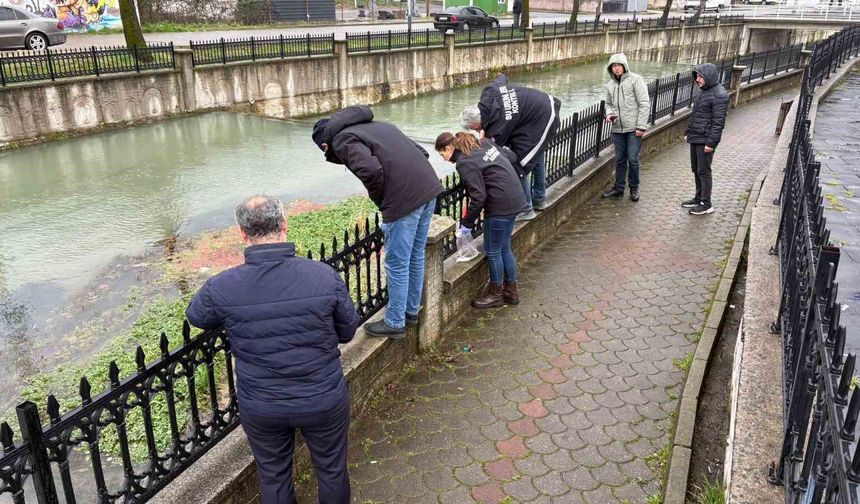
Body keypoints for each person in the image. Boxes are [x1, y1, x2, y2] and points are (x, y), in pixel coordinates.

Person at [185, 195, 359, 504]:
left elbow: (197, 316)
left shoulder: (223, 286)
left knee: (274, 477)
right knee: (332, 470)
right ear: (284, 225)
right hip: (321, 396)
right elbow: (347, 331)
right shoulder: (322, 276)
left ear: (242, 234)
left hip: (263, 403)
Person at [312, 105, 443, 338]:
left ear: (325, 144)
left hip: (403, 200)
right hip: (428, 188)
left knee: (397, 263)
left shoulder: (342, 140)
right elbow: (421, 152)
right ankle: (411, 310)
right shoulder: (378, 126)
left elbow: (370, 170)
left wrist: (383, 198)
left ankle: (395, 323)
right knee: (415, 254)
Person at [436, 131, 527, 308]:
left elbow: (478, 197)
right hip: (515, 198)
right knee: (505, 248)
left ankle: (496, 295)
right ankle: (511, 292)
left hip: (499, 206)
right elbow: (511, 156)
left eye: (443, 154)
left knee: (492, 251)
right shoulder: (484, 143)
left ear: (449, 148)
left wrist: (466, 225)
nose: (444, 159)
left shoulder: (464, 163)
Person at [475, 74, 561, 221]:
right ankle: (539, 199)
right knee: (536, 154)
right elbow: (501, 78)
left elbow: (496, 152)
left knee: (520, 164)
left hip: (543, 116)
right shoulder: (490, 91)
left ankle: (526, 208)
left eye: (476, 129)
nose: (477, 131)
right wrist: (501, 76)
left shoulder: (497, 127)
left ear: (478, 122)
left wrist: (484, 141)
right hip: (535, 111)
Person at [600, 53, 650, 202]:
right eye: (613, 66)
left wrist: (641, 126)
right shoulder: (610, 85)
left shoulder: (636, 80)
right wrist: (609, 114)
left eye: (618, 65)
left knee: (633, 159)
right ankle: (619, 188)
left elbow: (644, 103)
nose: (616, 68)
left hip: (633, 129)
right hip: (617, 129)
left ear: (624, 66)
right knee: (620, 160)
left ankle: (634, 188)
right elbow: (608, 104)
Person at [683, 63, 729, 216]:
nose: (697, 79)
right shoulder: (703, 91)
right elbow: (696, 115)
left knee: (704, 171)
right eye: (696, 76)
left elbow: (718, 122)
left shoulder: (720, 95)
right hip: (696, 137)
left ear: (708, 76)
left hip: (705, 140)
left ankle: (706, 203)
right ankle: (698, 198)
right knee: (696, 169)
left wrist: (711, 143)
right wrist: (688, 132)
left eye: (700, 76)